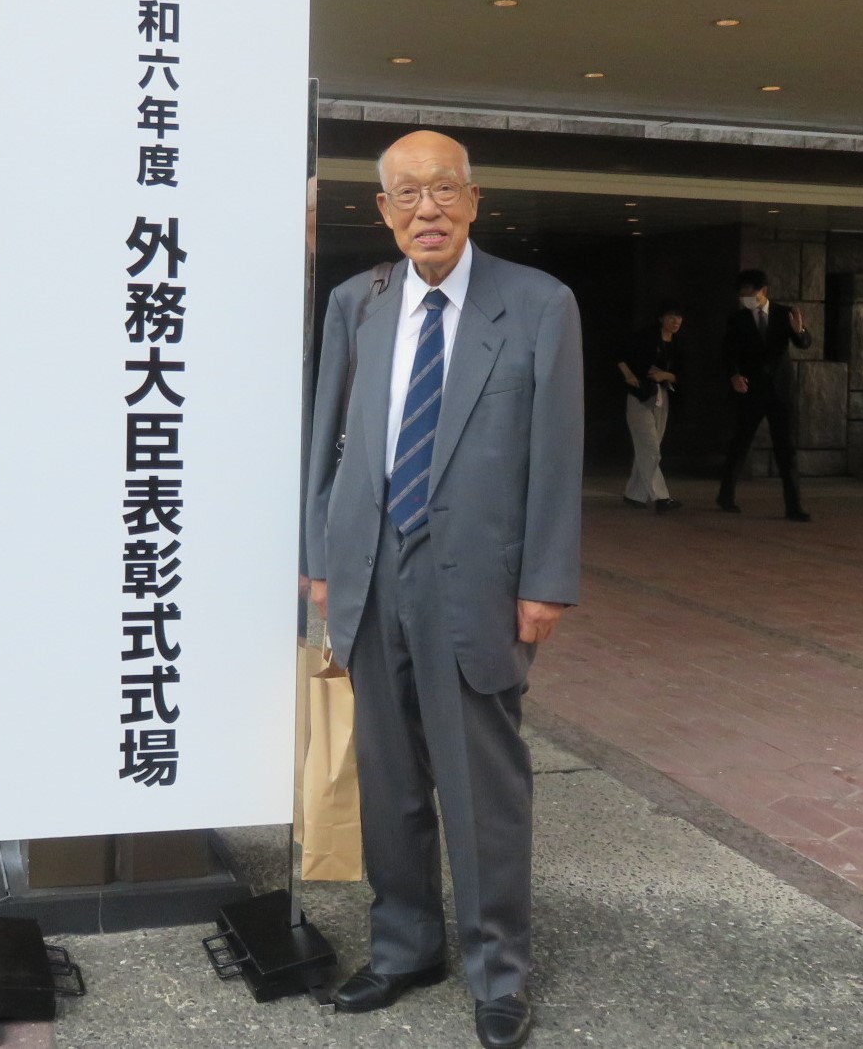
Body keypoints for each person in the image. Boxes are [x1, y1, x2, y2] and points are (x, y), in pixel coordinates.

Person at [304, 130, 583, 1049]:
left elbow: (557, 454)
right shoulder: (357, 301)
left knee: (480, 788)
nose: (427, 208)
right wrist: (320, 560)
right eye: (408, 194)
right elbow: (324, 443)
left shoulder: (538, 304)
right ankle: (405, 945)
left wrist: (546, 580)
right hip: (371, 570)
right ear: (384, 211)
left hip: (480, 581)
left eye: (444, 189)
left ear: (473, 200)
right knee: (388, 780)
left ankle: (498, 972)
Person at [716, 267, 812, 521]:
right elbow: (728, 352)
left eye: (751, 294)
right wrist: (734, 376)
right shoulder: (737, 319)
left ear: (764, 291)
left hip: (780, 391)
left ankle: (794, 506)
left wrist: (799, 331)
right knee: (740, 444)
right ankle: (726, 496)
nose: (746, 298)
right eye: (742, 294)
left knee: (786, 449)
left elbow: (804, 343)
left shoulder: (784, 313)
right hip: (751, 390)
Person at [617, 299, 685, 512]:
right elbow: (620, 355)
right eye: (671, 316)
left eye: (679, 317)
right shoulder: (645, 337)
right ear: (661, 318)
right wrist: (629, 375)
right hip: (640, 396)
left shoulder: (678, 344)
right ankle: (661, 497)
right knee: (650, 447)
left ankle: (634, 494)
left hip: (662, 396)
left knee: (648, 447)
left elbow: (682, 374)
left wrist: (665, 375)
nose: (676, 321)